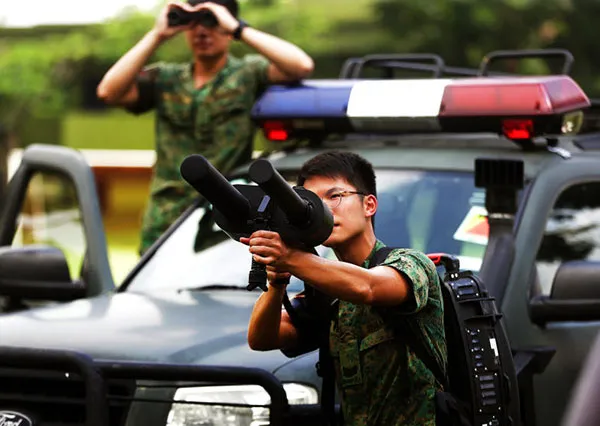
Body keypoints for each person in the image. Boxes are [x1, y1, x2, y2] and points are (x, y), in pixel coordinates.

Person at [244, 150, 447, 426]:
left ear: (369, 205)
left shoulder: (412, 265)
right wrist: (277, 283)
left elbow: (369, 288)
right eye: (312, 201)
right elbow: (262, 338)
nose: (324, 209)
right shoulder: (325, 292)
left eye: (335, 196)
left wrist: (291, 257)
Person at [96, 0, 314, 254]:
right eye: (193, 25)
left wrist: (237, 28)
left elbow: (301, 66)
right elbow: (108, 92)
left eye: (211, 23)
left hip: (223, 215)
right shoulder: (167, 78)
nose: (202, 32)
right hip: (167, 213)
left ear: (227, 29)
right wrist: (157, 35)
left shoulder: (247, 73)